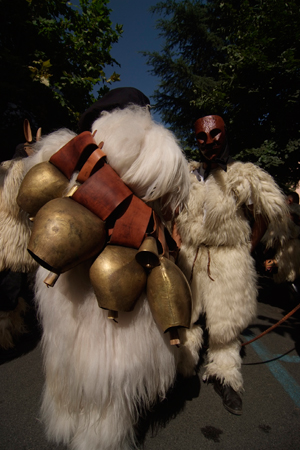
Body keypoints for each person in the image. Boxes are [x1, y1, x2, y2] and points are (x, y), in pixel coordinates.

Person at [1, 87, 195, 450]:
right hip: (121, 279)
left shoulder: (64, 154)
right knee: (111, 370)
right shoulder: (156, 150)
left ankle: (71, 420)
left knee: (70, 359)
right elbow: (172, 202)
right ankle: (101, 436)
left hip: (74, 282)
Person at [174, 114, 288, 415]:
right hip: (191, 256)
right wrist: (177, 243)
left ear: (226, 134)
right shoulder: (188, 175)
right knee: (187, 316)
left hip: (228, 259)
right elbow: (172, 212)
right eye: (201, 137)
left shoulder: (242, 176)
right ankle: (184, 370)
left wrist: (244, 249)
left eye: (215, 135)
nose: (209, 142)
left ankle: (226, 376)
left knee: (225, 326)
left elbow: (263, 216)